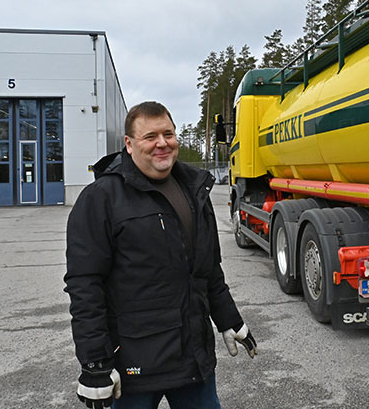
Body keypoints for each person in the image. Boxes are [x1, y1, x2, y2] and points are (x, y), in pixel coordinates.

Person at [64, 101, 257, 409]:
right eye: (150, 136)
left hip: (193, 360)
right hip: (135, 366)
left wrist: (229, 319)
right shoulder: (101, 199)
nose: (162, 143)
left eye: (168, 133)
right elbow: (85, 284)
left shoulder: (195, 190)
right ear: (129, 144)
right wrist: (95, 364)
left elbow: (208, 271)